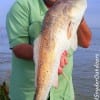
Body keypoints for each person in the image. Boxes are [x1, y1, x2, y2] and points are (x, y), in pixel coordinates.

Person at [6, 0, 91, 100]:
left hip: (63, 93)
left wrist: (78, 18)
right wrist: (50, 57)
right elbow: (18, 47)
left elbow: (86, 43)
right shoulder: (22, 5)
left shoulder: (71, 6)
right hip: (27, 93)